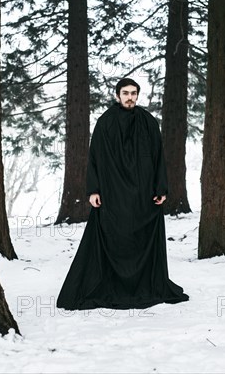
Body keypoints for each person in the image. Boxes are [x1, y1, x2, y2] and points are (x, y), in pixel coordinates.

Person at [56, 78, 189, 310]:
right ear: (117, 95)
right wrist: (93, 190)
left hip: (143, 196)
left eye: (134, 93)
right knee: (113, 237)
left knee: (142, 238)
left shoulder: (148, 122)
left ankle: (144, 285)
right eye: (125, 93)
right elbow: (94, 158)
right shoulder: (105, 122)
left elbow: (158, 157)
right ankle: (112, 284)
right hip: (113, 195)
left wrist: (161, 189)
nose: (130, 97)